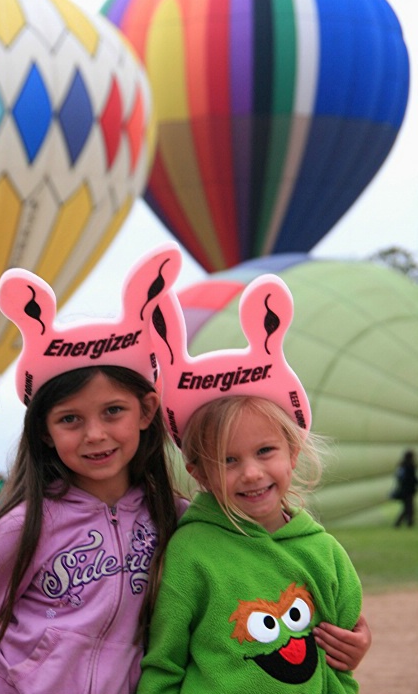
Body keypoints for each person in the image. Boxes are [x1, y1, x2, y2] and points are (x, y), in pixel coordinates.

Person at [0, 243, 187, 694]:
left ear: (148, 410)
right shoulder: (16, 529)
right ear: (45, 431)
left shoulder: (179, 520)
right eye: (70, 419)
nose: (95, 434)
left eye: (113, 410)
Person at [137, 271, 367, 693]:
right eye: (227, 460)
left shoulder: (325, 553)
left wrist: (355, 647)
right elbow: (163, 663)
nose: (252, 473)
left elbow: (340, 667)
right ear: (198, 473)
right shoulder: (190, 554)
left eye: (265, 451)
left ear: (293, 451)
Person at [393, 449, 418, 527]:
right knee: (408, 508)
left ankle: (406, 522)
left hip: (403, 489)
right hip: (408, 490)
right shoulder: (409, 466)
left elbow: (399, 477)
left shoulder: (402, 466)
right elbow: (412, 478)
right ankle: (402, 523)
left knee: (407, 507)